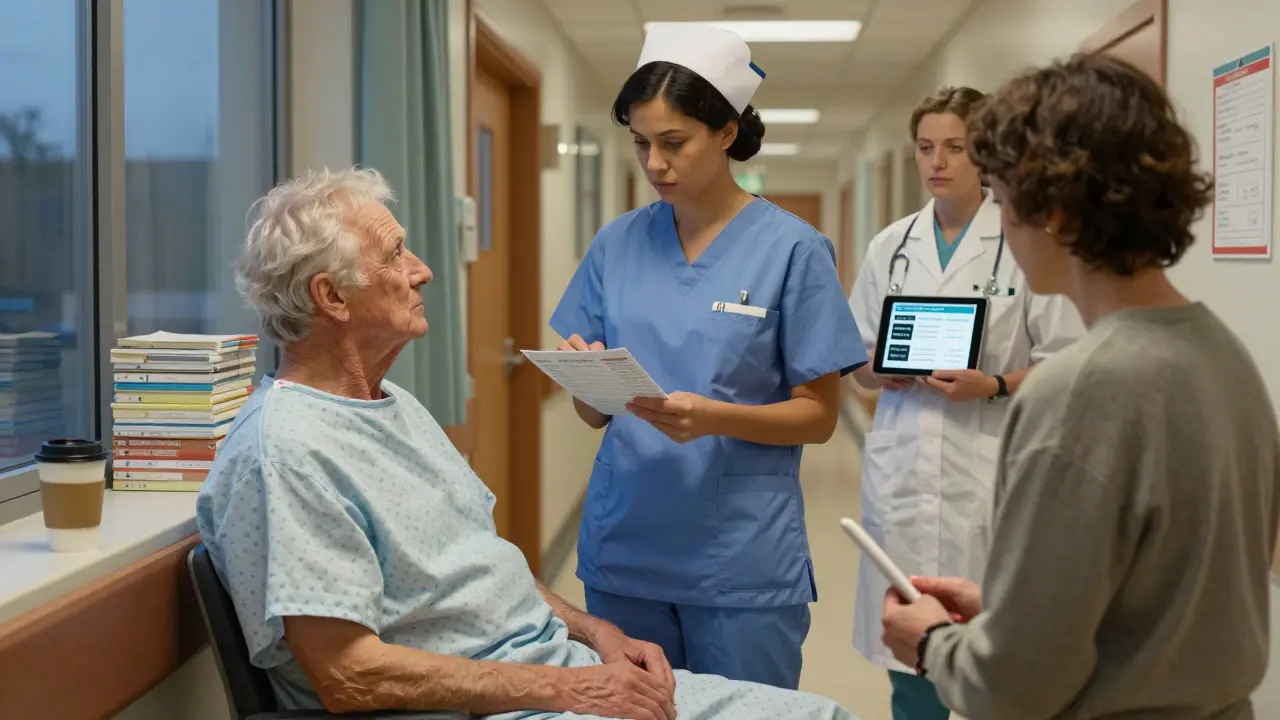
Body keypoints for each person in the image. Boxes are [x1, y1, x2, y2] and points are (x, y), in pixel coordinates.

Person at [196, 167, 858, 720]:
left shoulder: (392, 408)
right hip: (511, 702)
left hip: (552, 671)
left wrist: (596, 633)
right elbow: (348, 675)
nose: (423, 271)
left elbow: (478, 563)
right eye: (396, 254)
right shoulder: (285, 455)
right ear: (331, 297)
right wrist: (574, 687)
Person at [880, 53, 1280, 719]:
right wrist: (1009, 609)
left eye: (1005, 204)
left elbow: (1010, 688)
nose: (1003, 227)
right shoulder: (1223, 356)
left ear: (1056, 214)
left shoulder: (1078, 392)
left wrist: (932, 644)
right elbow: (1159, 598)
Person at [549, 24, 867, 691]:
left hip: (739, 558)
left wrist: (714, 417)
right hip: (625, 546)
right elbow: (592, 417)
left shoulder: (793, 250)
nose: (654, 164)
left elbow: (818, 417)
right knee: (633, 706)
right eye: (641, 143)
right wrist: (586, 378)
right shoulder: (617, 244)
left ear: (726, 132)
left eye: (674, 142)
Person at [846, 86, 1083, 719]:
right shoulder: (890, 248)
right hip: (903, 465)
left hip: (991, 465)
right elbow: (854, 363)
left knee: (996, 658)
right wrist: (879, 369)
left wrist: (996, 384)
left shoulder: (1026, 241)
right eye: (925, 147)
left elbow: (1070, 364)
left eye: (955, 147)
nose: (937, 162)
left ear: (988, 153)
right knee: (910, 660)